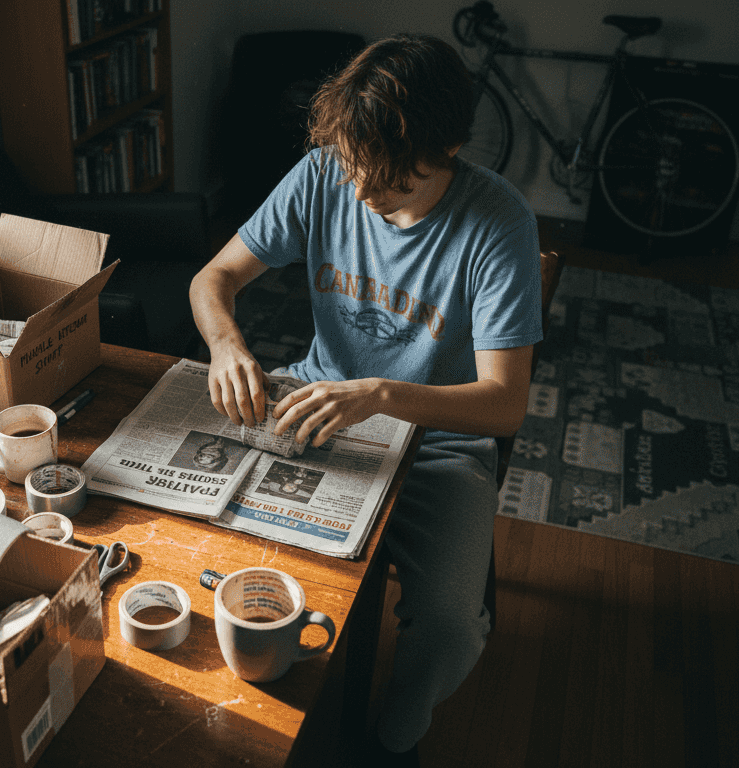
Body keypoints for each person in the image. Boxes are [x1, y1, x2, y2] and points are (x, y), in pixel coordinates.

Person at [189, 33, 542, 760]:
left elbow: (505, 403)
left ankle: (394, 738)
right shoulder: (327, 172)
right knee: (200, 542)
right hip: (316, 405)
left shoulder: (498, 224)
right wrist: (226, 344)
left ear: (444, 152)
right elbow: (211, 280)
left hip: (440, 439)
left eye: (385, 179)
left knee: (447, 624)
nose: (358, 192)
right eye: (351, 167)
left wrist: (382, 394)